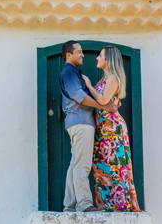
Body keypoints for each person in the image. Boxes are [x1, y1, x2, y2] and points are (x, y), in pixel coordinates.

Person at [59, 40, 117, 213]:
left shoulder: (74, 72)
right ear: (69, 55)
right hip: (81, 122)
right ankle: (84, 203)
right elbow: (79, 96)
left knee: (75, 164)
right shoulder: (69, 73)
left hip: (77, 122)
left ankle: (69, 206)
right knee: (82, 164)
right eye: (79, 52)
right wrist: (104, 107)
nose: (82, 54)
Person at [82, 45, 141, 212]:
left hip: (112, 129)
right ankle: (107, 205)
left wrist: (88, 84)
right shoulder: (105, 79)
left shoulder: (113, 78)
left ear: (108, 60)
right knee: (103, 168)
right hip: (103, 128)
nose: (97, 58)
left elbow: (102, 100)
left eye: (100, 55)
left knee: (115, 166)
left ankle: (121, 205)